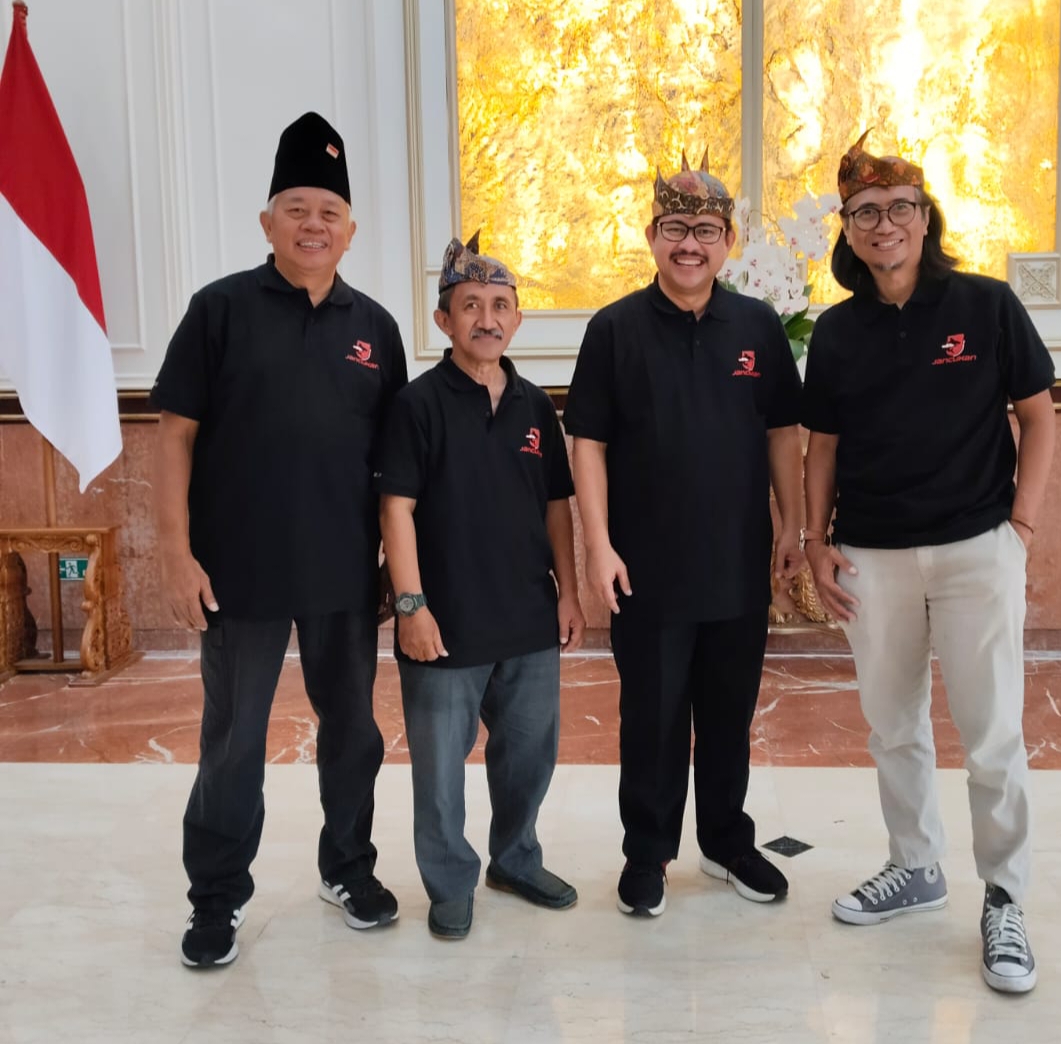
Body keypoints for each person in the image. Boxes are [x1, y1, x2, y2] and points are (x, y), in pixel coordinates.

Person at [801, 131, 1056, 994]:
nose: (884, 223)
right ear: (847, 229)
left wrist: (1020, 525)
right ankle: (915, 866)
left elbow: (1039, 414)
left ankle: (1005, 898)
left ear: (925, 217)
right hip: (872, 555)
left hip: (977, 548)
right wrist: (815, 542)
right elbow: (822, 447)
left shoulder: (986, 306)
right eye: (865, 212)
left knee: (993, 734)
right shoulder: (838, 332)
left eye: (900, 207)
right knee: (893, 726)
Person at [152, 112, 406, 968]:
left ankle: (348, 868)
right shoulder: (218, 310)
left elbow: (397, 466)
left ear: (350, 231)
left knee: (354, 733)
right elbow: (174, 437)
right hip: (240, 572)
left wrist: (398, 568)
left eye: (329, 212)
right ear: (268, 222)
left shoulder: (377, 328)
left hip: (344, 572)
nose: (313, 225)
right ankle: (216, 897)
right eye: (296, 209)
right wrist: (176, 553)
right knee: (233, 742)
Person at [564, 151, 805, 917]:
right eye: (675, 229)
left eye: (705, 230)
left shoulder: (758, 327)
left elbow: (783, 433)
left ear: (728, 240)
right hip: (647, 569)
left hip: (736, 564)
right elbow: (588, 443)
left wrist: (793, 526)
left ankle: (728, 842)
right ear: (651, 236)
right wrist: (598, 546)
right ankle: (648, 853)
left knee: (729, 714)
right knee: (654, 718)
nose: (690, 244)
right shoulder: (614, 330)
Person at [375, 233, 585, 940]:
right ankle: (449, 883)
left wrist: (568, 592)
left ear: (517, 319)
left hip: (527, 619)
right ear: (444, 320)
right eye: (470, 306)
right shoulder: (416, 405)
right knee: (440, 772)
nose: (486, 319)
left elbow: (556, 506)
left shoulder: (535, 407)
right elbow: (396, 510)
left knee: (529, 757)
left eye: (500, 305)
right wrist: (411, 606)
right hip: (445, 623)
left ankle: (516, 860)